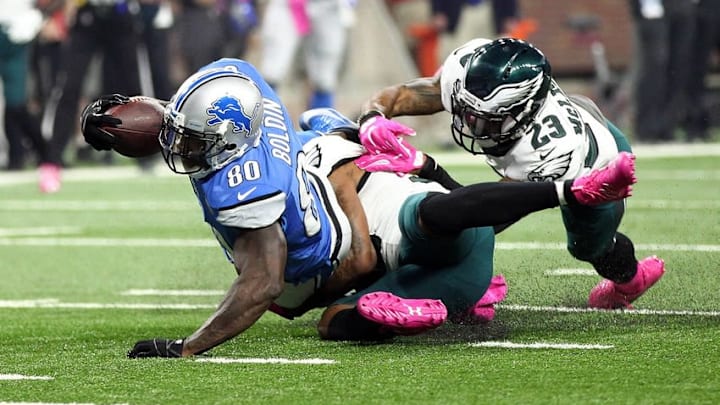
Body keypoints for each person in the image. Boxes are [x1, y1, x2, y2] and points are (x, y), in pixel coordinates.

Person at [79, 58, 446, 358]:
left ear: (229, 142)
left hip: (309, 267)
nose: (179, 147)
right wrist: (124, 113)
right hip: (309, 181)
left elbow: (264, 283)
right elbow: (181, 119)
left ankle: (373, 297)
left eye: (191, 142)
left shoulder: (248, 188)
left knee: (322, 314)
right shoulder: (241, 83)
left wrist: (188, 347)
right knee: (322, 127)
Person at [354, 37, 665, 310]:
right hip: (572, 115)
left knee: (588, 248)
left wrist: (430, 169)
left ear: (524, 112)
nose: (467, 124)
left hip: (596, 160)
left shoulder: (551, 153)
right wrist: (373, 116)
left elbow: (484, 218)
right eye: (466, 112)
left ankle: (632, 281)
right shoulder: (470, 67)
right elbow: (407, 94)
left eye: (482, 119)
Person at [294, 108, 638, 341]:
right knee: (434, 215)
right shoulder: (325, 162)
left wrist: (325, 287)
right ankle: (570, 192)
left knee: (334, 316)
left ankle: (393, 316)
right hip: (456, 253)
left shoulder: (319, 161)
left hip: (426, 240)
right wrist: (428, 167)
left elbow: (354, 260)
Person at [40, 0, 145, 192]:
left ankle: (144, 149)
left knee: (132, 86)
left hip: (119, 11)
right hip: (87, 11)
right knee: (69, 86)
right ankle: (53, 157)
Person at [258, 0, 355, 109]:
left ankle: (321, 121)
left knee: (324, 78)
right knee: (272, 71)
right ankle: (264, 120)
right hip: (288, 4)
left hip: (328, 6)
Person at [0, 0, 51, 176]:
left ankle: (28, 152)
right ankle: (30, 153)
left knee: (16, 102)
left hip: (16, 30)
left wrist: (39, 17)